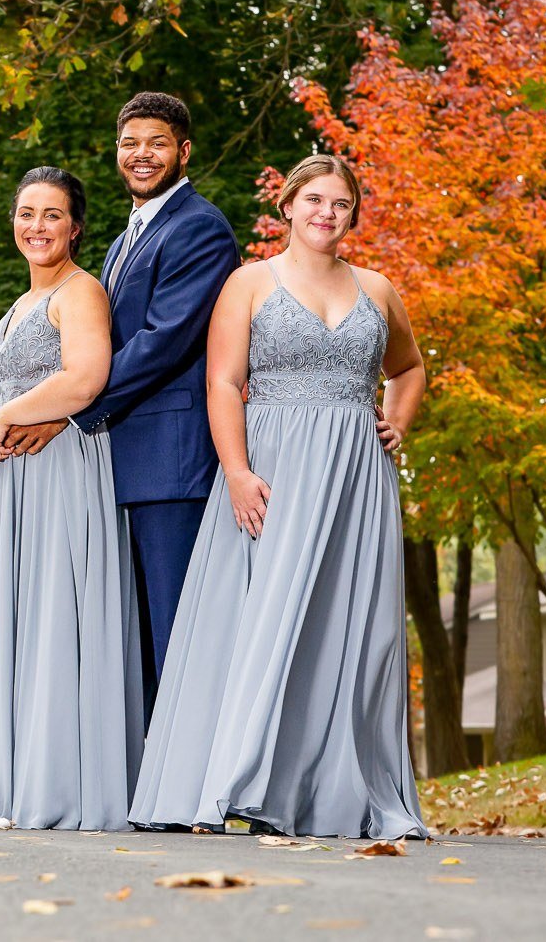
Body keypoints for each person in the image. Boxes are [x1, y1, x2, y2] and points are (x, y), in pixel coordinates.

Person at [132, 156, 428, 839]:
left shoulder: (378, 288)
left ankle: (327, 791)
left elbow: (408, 367)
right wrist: (235, 470)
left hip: (358, 473)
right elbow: (222, 383)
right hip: (272, 467)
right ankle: (231, 778)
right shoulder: (248, 282)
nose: (328, 212)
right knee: (257, 621)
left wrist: (398, 419)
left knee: (349, 627)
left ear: (354, 214)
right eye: (316, 199)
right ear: (289, 205)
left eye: (342, 204)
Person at [3, 93, 238, 710]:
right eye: (131, 143)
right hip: (121, 463)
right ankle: (155, 786)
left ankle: (196, 798)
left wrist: (68, 409)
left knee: (180, 631)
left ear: (183, 151)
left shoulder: (200, 228)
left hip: (173, 462)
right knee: (140, 639)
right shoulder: (123, 239)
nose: (142, 154)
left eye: (157, 142)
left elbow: (163, 342)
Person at [0, 168, 142, 830]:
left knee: (59, 611)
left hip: (62, 470)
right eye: (26, 212)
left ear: (76, 226)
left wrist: (1, 420)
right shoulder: (21, 302)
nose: (36, 225)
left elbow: (86, 378)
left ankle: (60, 783)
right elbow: (16, 391)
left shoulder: (80, 290)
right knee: (17, 614)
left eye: (52, 214)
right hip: (13, 479)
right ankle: (9, 779)